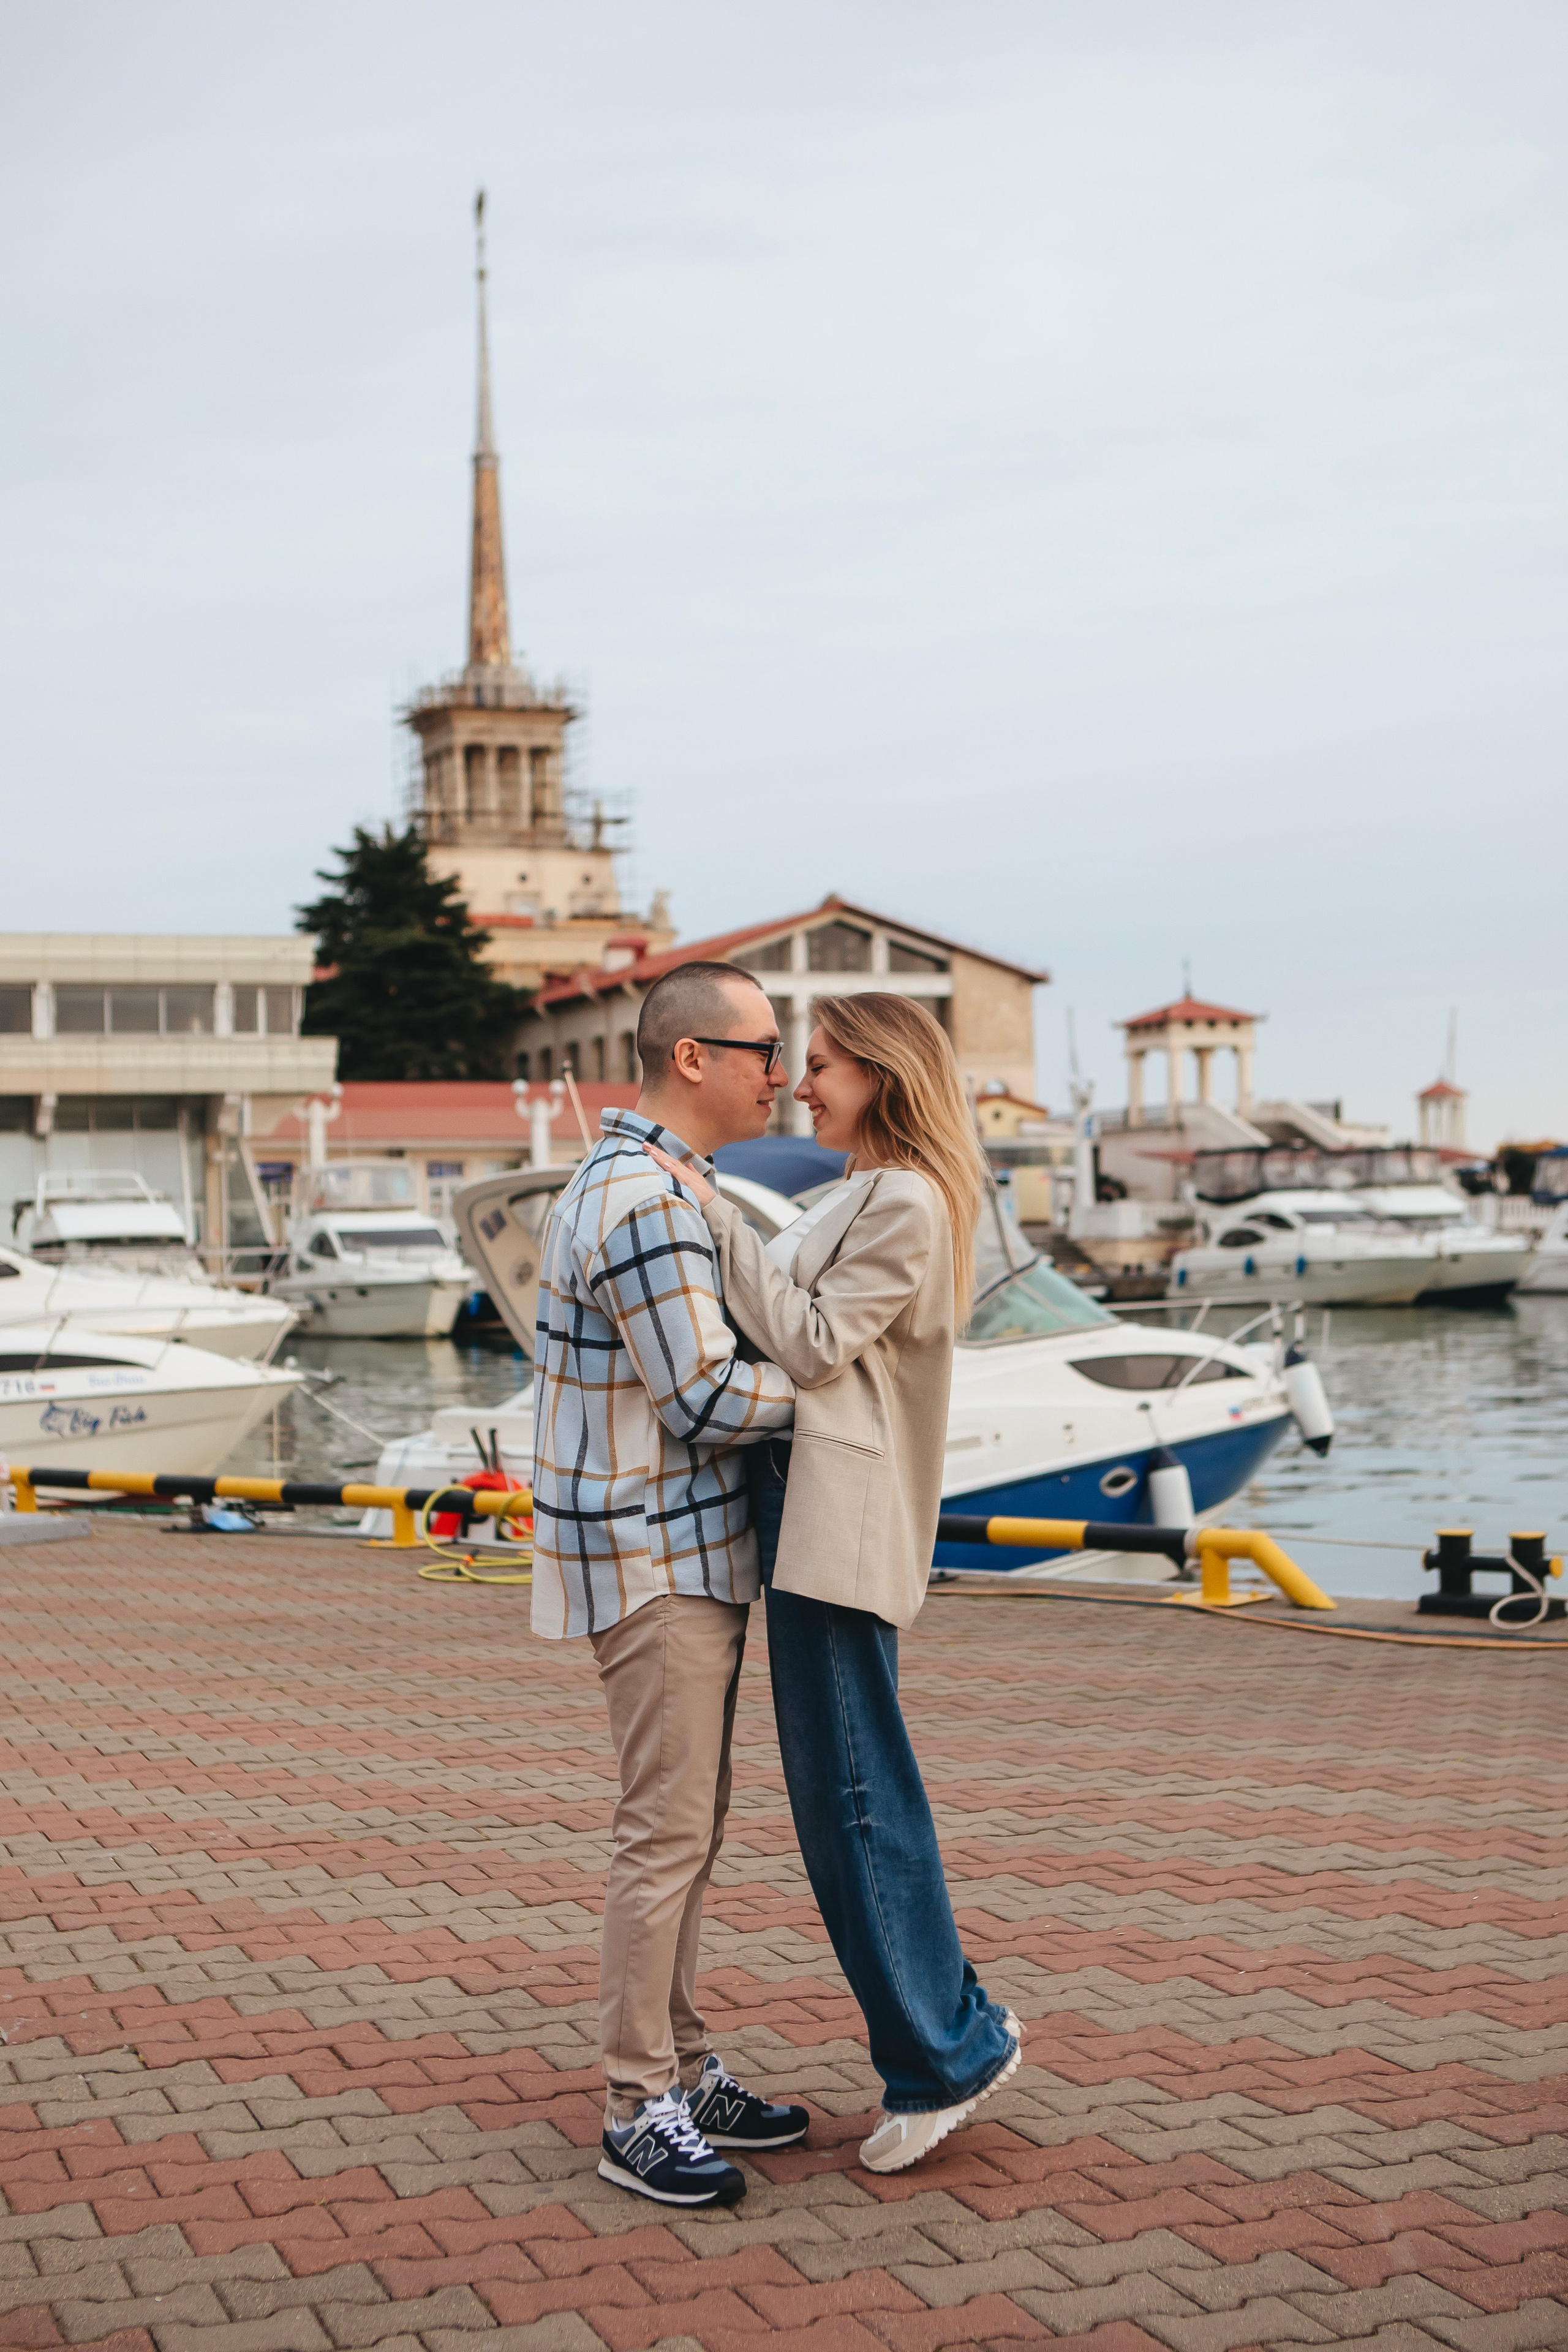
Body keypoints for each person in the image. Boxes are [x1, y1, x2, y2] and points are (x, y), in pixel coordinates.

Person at [644, 992, 1022, 2173]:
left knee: (855, 1803)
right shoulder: (856, 1189)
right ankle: (955, 2031)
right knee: (853, 1799)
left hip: (841, 1530)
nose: (801, 1084)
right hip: (805, 1526)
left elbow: (808, 1346)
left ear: (882, 1072)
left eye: (820, 1065)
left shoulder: (905, 1200)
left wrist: (715, 1223)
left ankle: (944, 2058)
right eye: (799, 1063)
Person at [530, 962, 811, 2209]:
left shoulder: (657, 1180)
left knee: (685, 1826)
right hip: (656, 1556)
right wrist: (839, 1391)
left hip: (674, 1550)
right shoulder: (645, 1199)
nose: (783, 1071)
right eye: (762, 1048)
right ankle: (634, 2101)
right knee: (662, 1833)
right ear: (691, 1058)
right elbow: (700, 1396)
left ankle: (684, 2070)